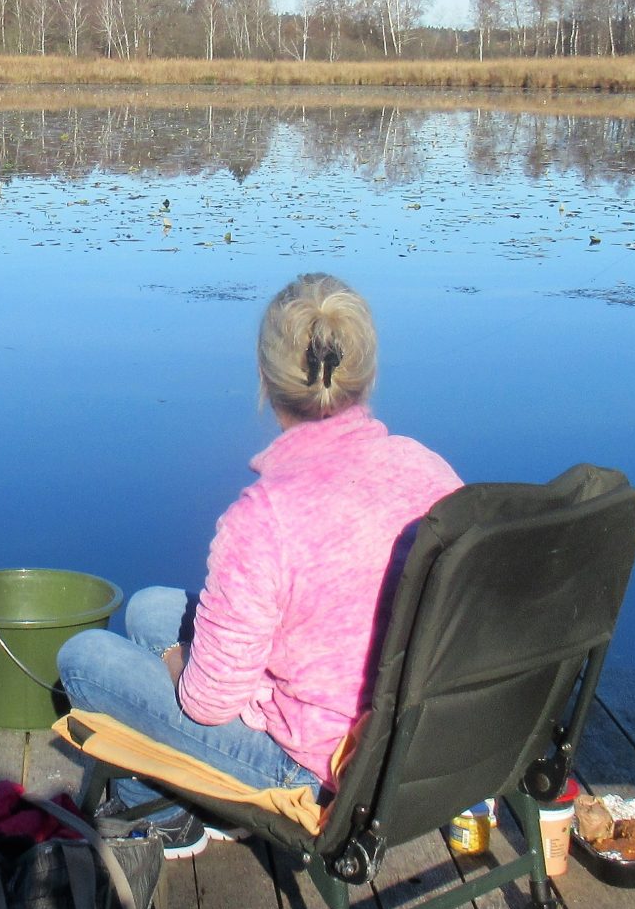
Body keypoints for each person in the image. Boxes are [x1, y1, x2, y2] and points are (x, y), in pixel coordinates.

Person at [56, 273, 462, 853]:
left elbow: (207, 704)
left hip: (321, 773)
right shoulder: (430, 471)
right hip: (408, 739)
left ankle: (173, 814)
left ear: (265, 381)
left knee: (84, 660)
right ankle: (184, 797)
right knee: (150, 609)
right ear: (367, 375)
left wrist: (179, 663)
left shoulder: (263, 519)